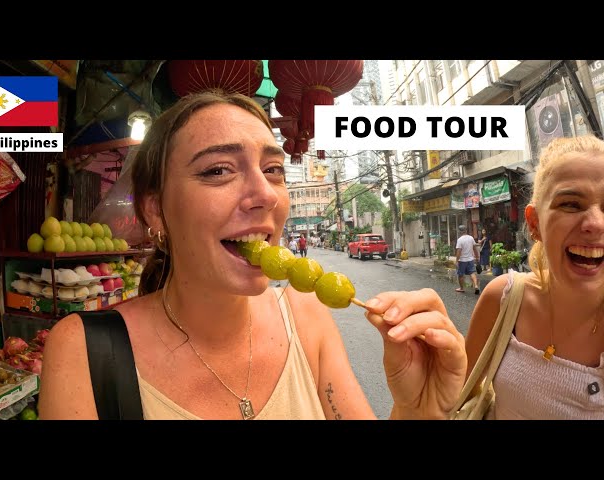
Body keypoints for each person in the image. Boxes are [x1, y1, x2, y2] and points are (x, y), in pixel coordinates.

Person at [37, 90, 465, 420]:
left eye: (273, 170)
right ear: (155, 210)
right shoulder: (83, 350)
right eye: (218, 170)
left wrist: (418, 410)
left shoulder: (307, 319)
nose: (265, 195)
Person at [464, 135, 604, 419]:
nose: (595, 224)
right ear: (534, 223)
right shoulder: (503, 300)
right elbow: (447, 399)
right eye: (571, 205)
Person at [455, 224, 480, 294]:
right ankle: (476, 285)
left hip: (462, 260)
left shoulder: (459, 240)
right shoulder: (471, 238)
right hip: (470, 259)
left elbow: (459, 251)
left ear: (460, 231)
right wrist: (477, 257)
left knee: (460, 275)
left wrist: (457, 261)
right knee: (472, 273)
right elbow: (475, 248)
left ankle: (461, 288)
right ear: (466, 230)